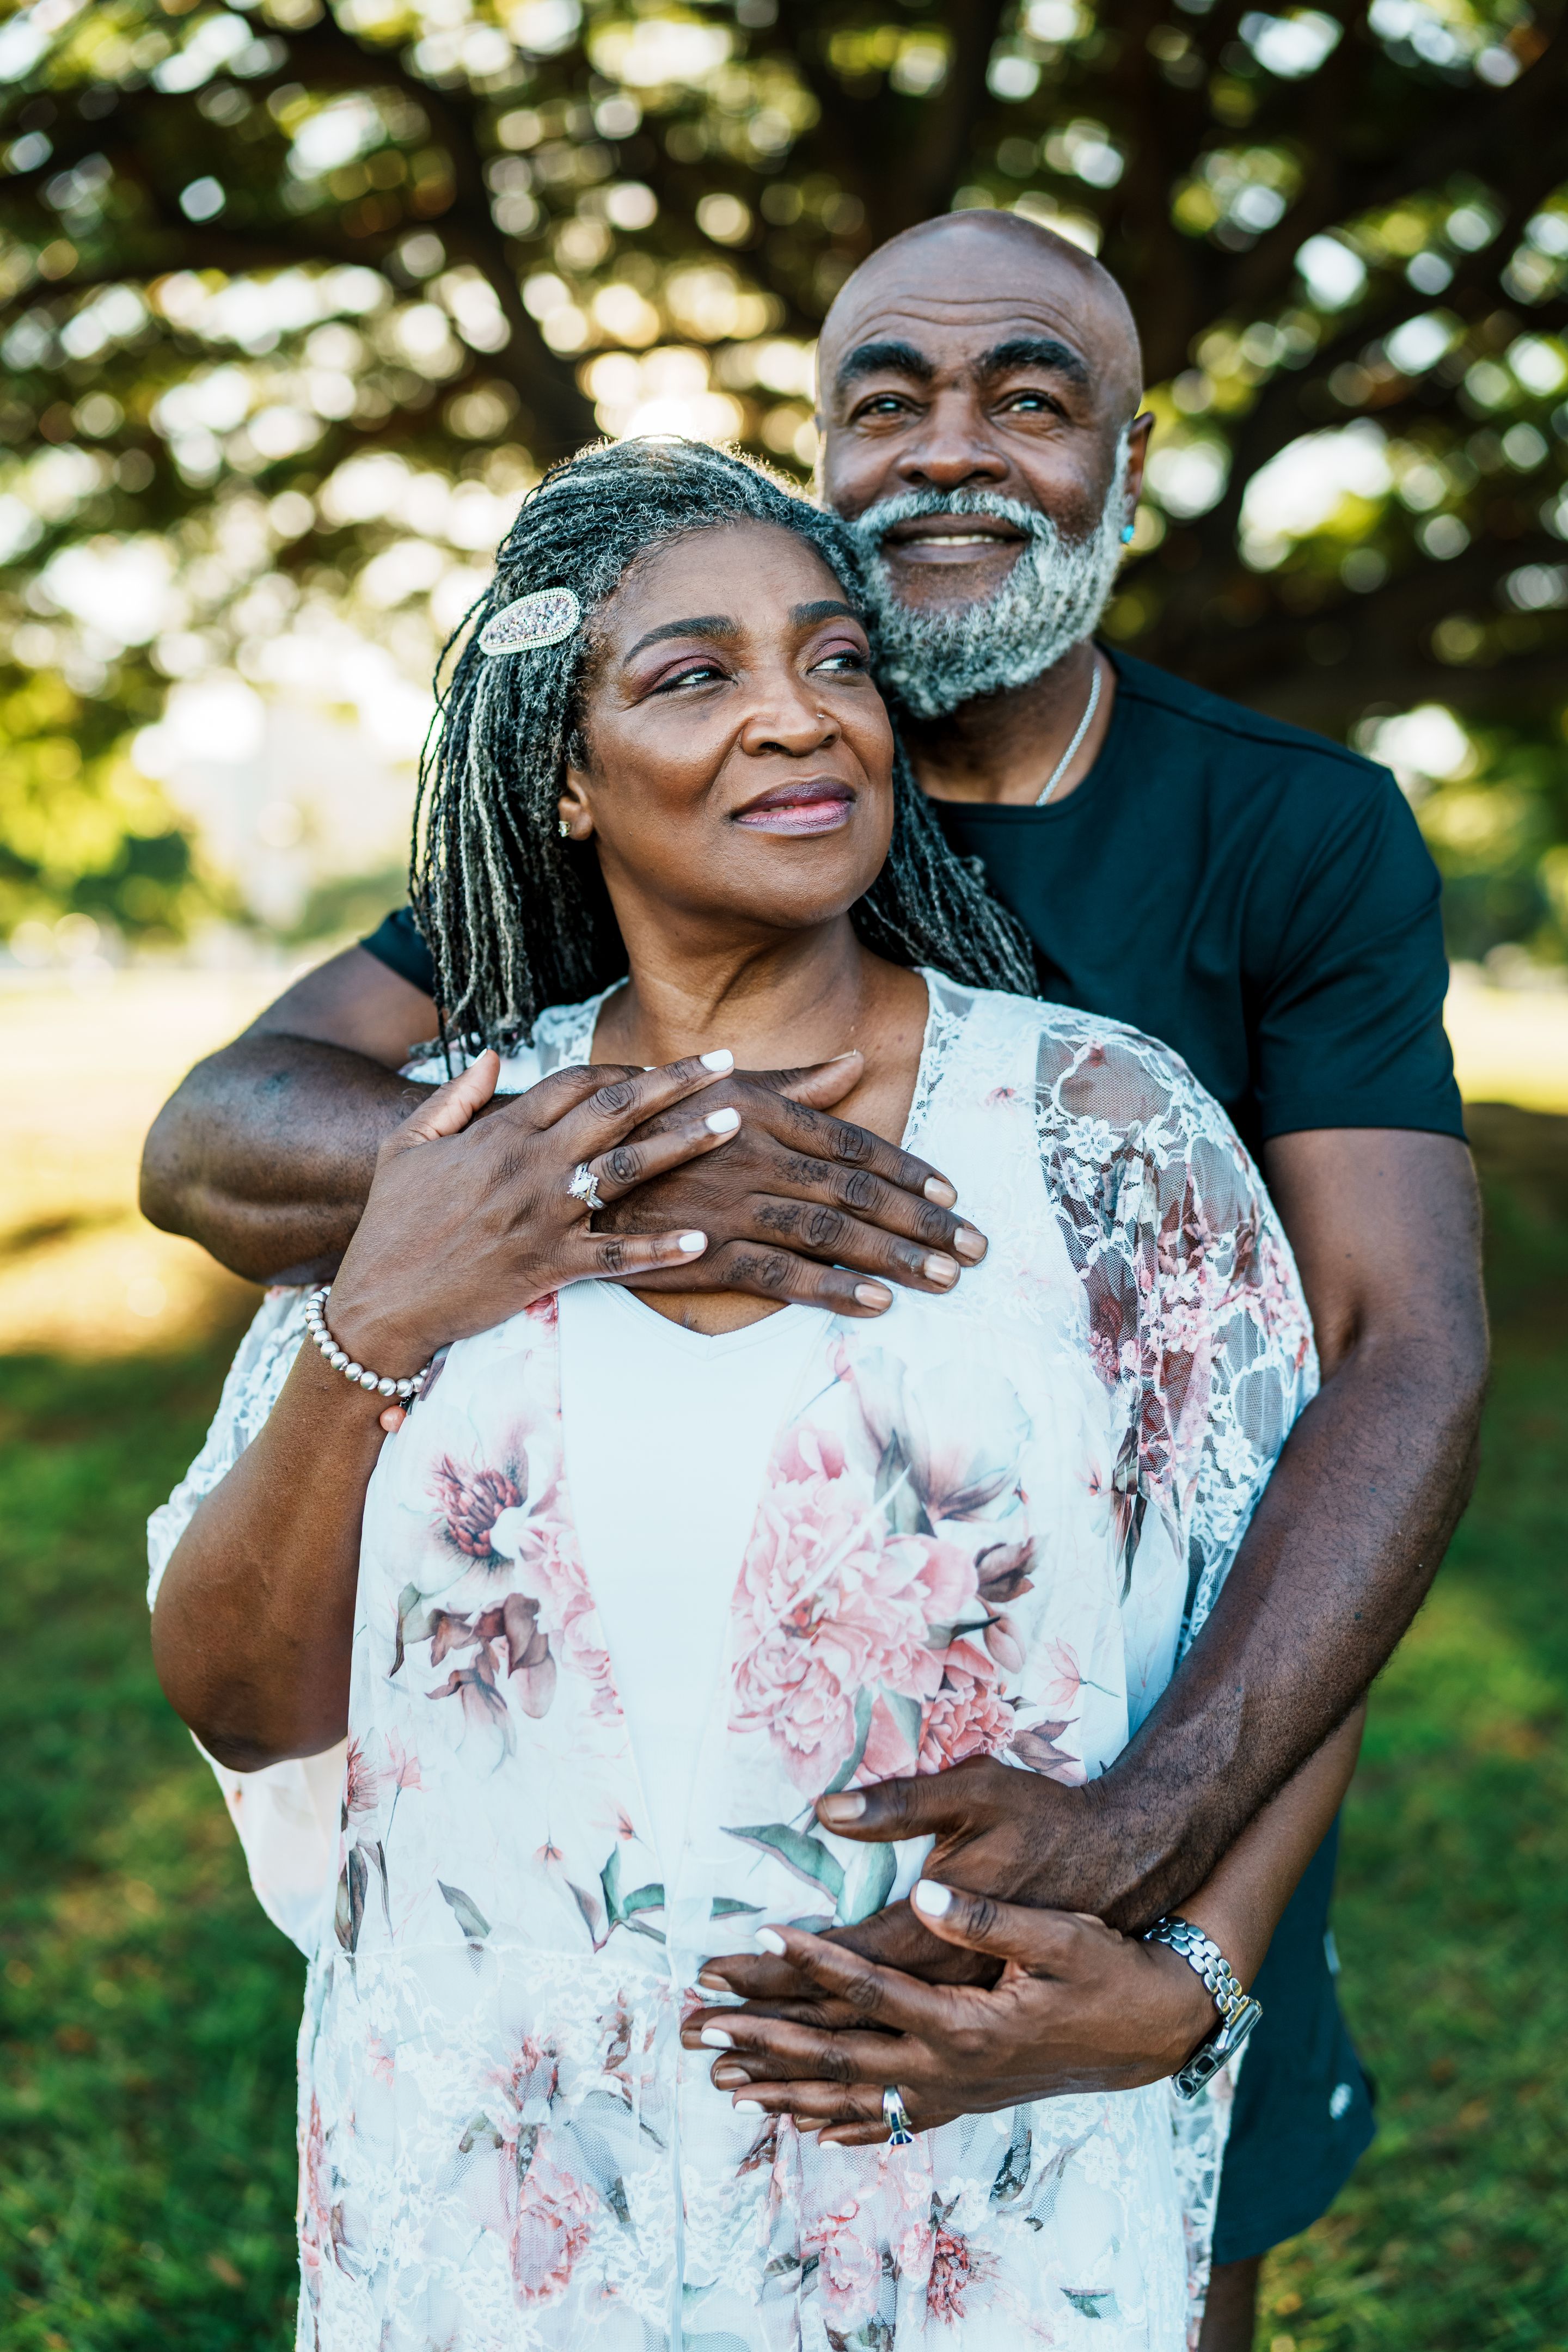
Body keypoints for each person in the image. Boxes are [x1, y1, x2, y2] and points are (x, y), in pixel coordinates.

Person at [140, 213, 1488, 2345]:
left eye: (1031, 395)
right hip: (546, 2078)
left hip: (1158, 1779)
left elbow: (1386, 1360)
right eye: (892, 397)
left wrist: (1173, 1872)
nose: (956, 449)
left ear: (1130, 454)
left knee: (1153, 2227)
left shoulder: (1262, 860)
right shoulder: (579, 904)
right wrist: (627, 1164)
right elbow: (218, 1131)